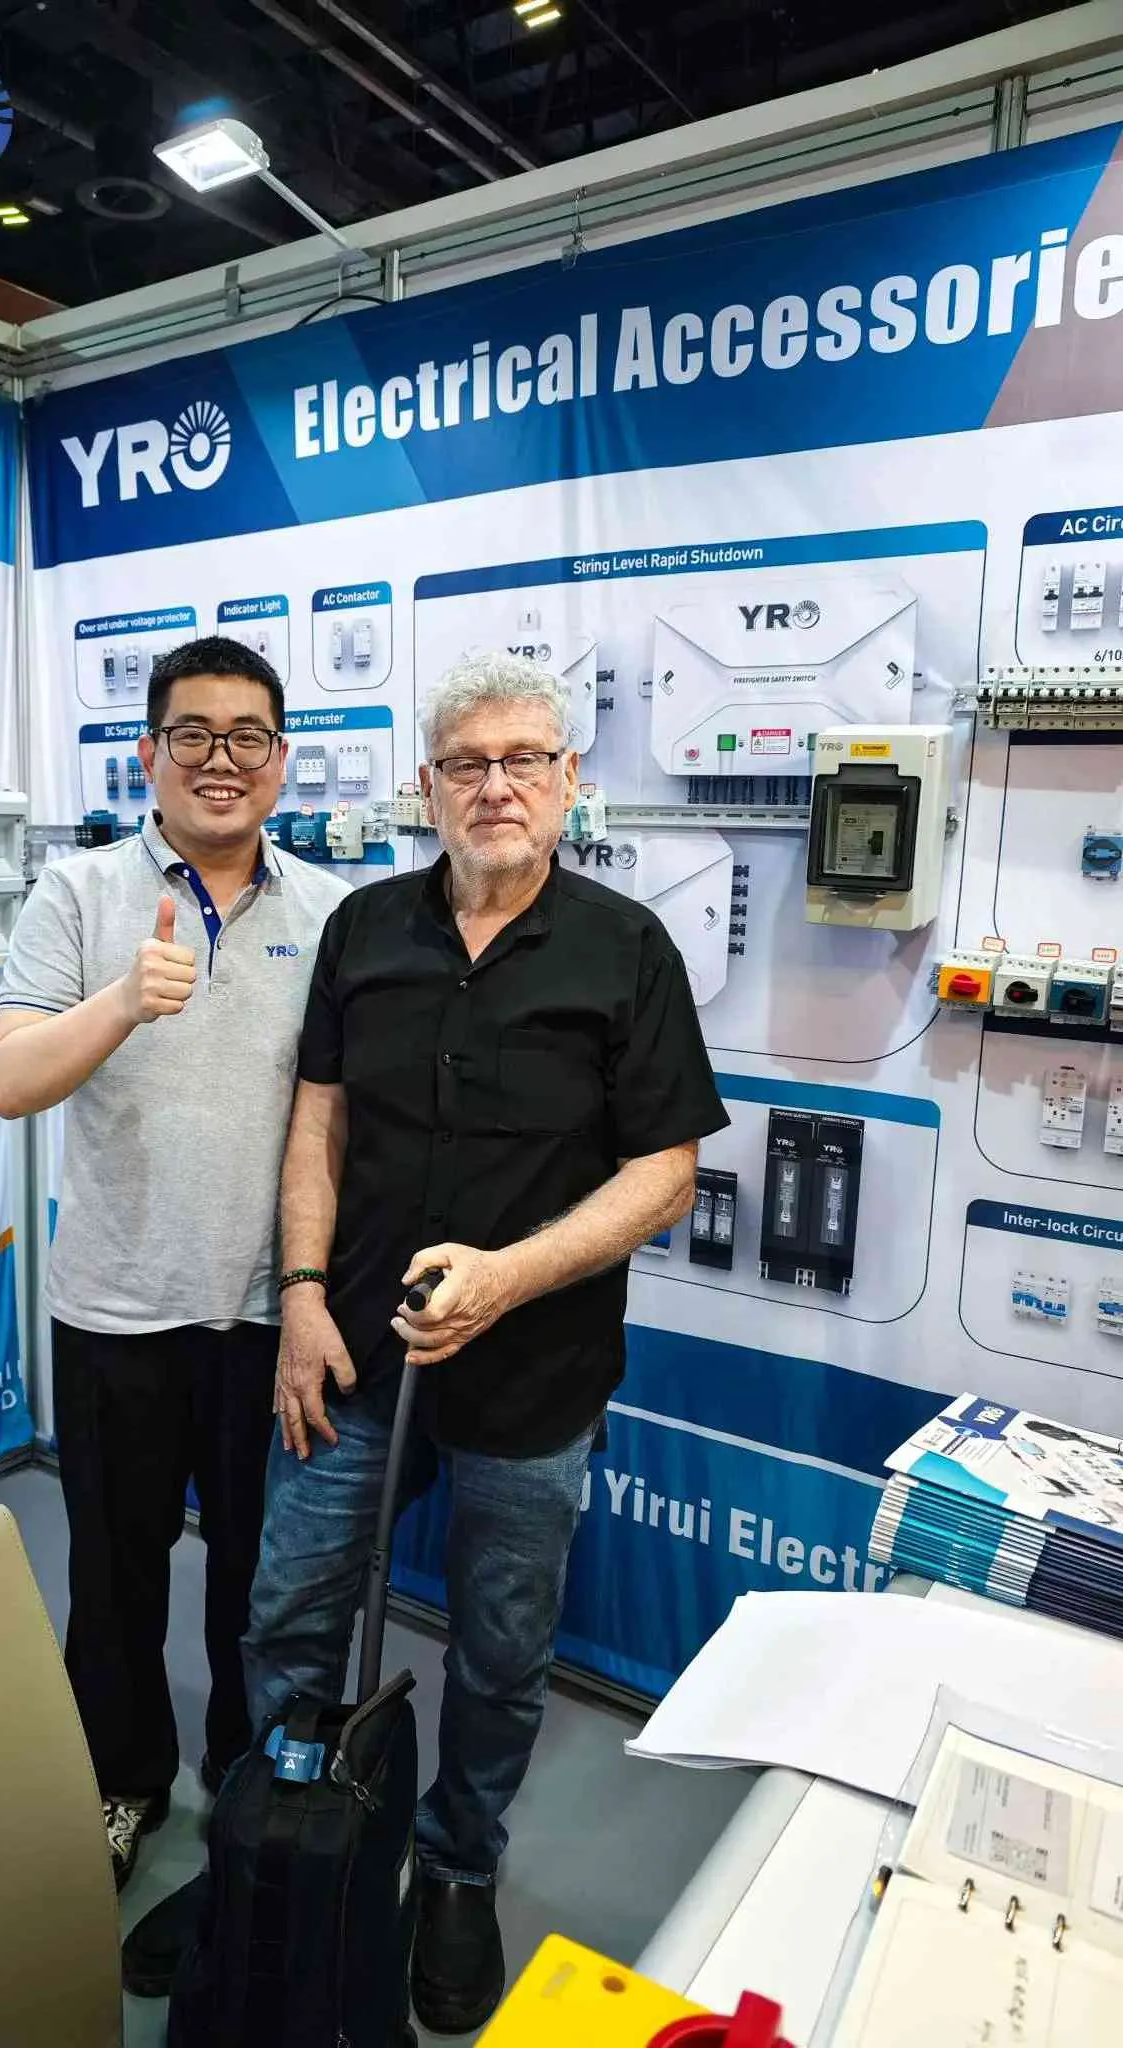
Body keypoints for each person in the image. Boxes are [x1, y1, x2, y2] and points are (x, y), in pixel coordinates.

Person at [249, 649, 730, 2033]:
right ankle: (280, 1841)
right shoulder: (364, 929)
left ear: (570, 780)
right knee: (289, 1609)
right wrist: (298, 1297)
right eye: (468, 762)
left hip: (536, 1376)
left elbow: (666, 1175)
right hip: (351, 1352)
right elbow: (319, 1120)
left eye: (525, 759)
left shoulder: (625, 949)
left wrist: (507, 1280)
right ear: (428, 785)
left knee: (504, 1650)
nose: (496, 785)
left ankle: (458, 1864)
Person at [0, 635, 348, 1892]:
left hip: (266, 1317)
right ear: (148, 752)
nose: (220, 760)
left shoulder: (330, 911)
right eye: (192, 734)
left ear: (281, 760)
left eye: (248, 736)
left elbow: (340, 1115)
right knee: (115, 1576)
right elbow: (8, 1081)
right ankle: (122, 1779)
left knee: (261, 1584)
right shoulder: (77, 892)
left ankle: (246, 1783)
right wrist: (123, 1002)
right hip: (116, 1309)